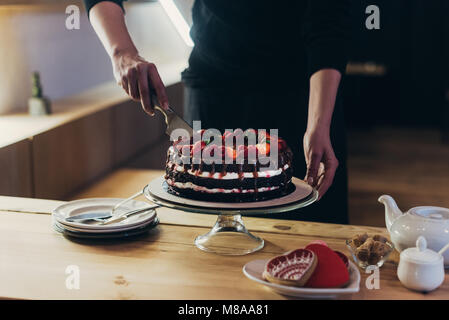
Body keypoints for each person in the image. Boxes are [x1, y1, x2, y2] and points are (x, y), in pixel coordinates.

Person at [84, 0, 354, 224]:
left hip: (304, 100)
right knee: (209, 242)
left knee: (313, 235)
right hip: (213, 92)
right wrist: (121, 51)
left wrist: (318, 122)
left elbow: (329, 21)